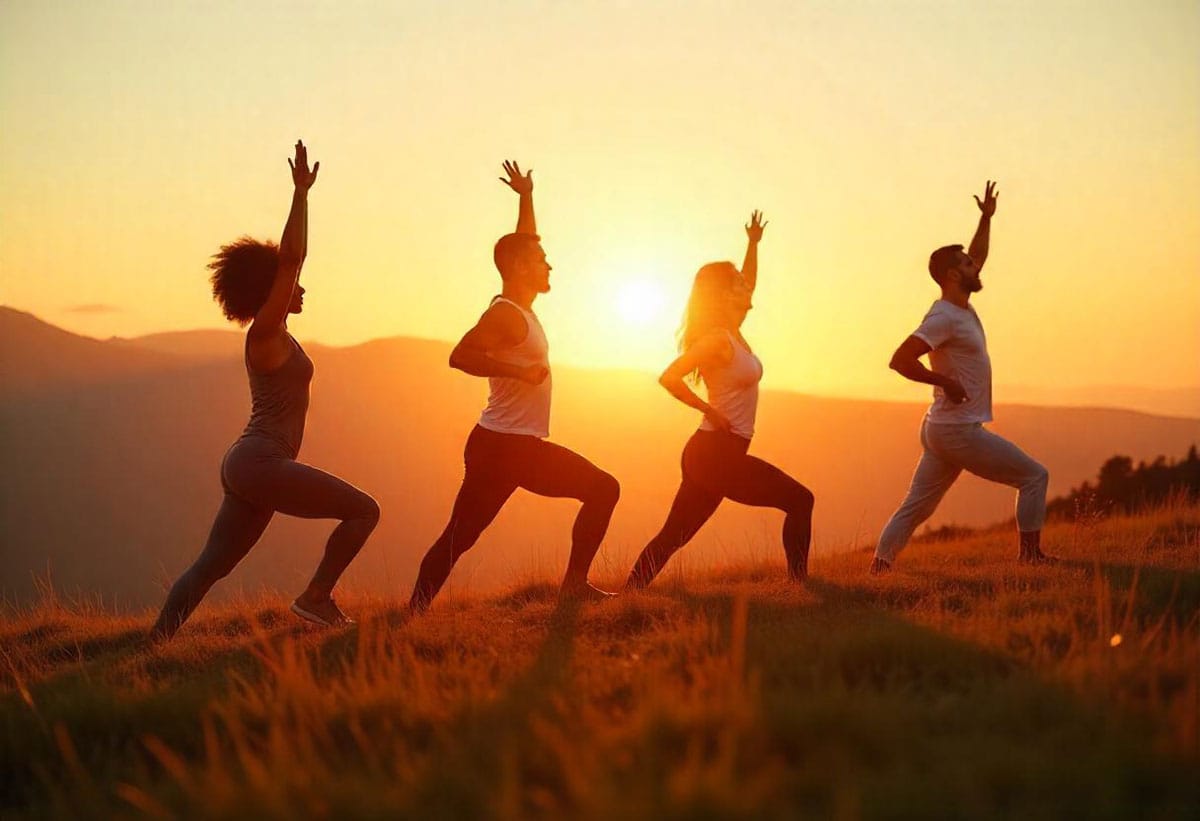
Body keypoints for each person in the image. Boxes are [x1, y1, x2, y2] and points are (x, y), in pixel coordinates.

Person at [151, 141, 380, 640]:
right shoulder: (266, 334)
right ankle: (316, 598)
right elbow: (292, 259)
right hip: (259, 462)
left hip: (248, 464)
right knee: (365, 511)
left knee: (211, 567)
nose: (301, 289)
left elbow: (292, 267)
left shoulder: (276, 335)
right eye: (291, 284)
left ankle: (155, 645)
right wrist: (300, 194)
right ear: (271, 287)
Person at [409, 161, 619, 611]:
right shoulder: (504, 313)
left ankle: (573, 585)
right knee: (461, 536)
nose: (549, 264)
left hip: (511, 446)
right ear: (521, 269)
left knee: (461, 536)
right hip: (503, 449)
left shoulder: (518, 306)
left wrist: (526, 197)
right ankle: (413, 614)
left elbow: (523, 246)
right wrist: (520, 374)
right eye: (540, 262)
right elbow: (460, 356)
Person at [871, 181, 1052, 574]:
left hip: (940, 427)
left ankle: (880, 568)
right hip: (957, 430)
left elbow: (980, 254)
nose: (977, 265)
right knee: (1034, 476)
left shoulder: (960, 303)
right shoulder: (943, 317)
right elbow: (900, 360)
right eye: (968, 264)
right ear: (953, 275)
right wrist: (947, 383)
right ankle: (1031, 557)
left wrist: (985, 218)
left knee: (917, 506)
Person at [627, 212, 814, 588]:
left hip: (718, 454)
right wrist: (707, 408)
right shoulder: (716, 340)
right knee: (800, 500)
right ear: (724, 295)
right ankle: (800, 585)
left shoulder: (733, 332)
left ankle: (629, 594)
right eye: (738, 284)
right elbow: (669, 376)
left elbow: (751, 284)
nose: (747, 288)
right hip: (714, 453)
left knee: (674, 535)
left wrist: (753, 244)